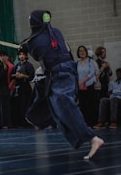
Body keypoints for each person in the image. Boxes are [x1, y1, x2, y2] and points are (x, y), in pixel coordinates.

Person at [23, 10, 104, 160]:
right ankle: (40, 120)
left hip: (59, 73)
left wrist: (25, 47)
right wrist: (27, 45)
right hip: (67, 72)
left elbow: (36, 53)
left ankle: (92, 139)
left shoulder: (35, 40)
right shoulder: (56, 32)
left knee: (65, 107)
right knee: (57, 108)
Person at [10, 48, 35, 127]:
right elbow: (11, 75)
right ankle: (19, 122)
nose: (21, 56)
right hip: (18, 87)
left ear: (26, 56)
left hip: (25, 87)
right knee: (18, 105)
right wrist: (16, 75)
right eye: (20, 55)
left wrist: (23, 75)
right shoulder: (17, 65)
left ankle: (27, 122)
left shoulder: (29, 65)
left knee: (26, 105)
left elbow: (31, 77)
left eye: (23, 54)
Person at [76, 46, 99, 127]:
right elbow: (76, 74)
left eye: (83, 51)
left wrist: (82, 81)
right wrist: (79, 83)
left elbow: (92, 73)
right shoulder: (77, 63)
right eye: (80, 51)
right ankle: (84, 123)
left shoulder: (90, 61)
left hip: (89, 85)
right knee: (82, 105)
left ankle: (91, 123)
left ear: (86, 52)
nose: (82, 52)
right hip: (80, 87)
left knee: (90, 104)